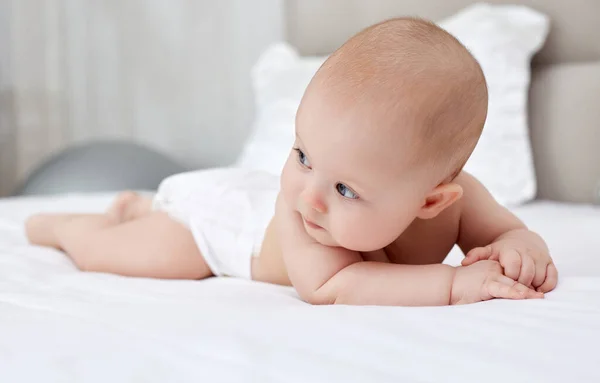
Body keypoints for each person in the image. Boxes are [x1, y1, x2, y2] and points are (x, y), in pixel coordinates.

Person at [26, 17, 557, 306]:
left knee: (151, 228)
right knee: (127, 256)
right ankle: (65, 226)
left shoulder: (462, 201)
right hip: (224, 230)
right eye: (302, 155)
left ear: (432, 199)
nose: (311, 195)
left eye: (346, 189)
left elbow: (511, 230)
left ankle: (138, 208)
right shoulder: (303, 215)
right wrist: (453, 285)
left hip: (246, 202)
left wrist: (521, 250)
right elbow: (334, 286)